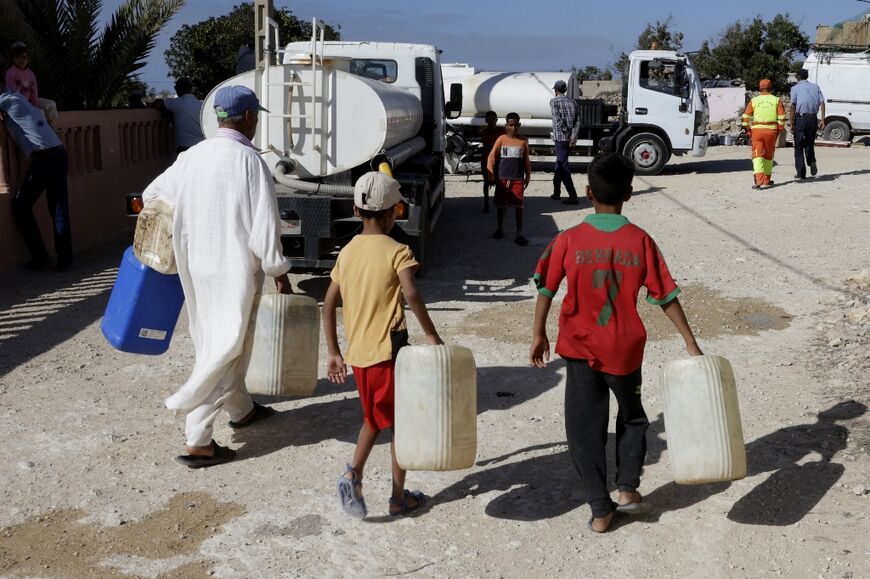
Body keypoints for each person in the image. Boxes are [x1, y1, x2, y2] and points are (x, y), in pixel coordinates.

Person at [529, 152, 703, 533]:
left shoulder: (568, 239)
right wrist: (690, 342)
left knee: (584, 427)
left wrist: (539, 332)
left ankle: (599, 507)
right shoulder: (640, 240)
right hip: (624, 348)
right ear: (629, 192)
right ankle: (626, 488)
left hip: (579, 348)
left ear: (588, 191)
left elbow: (546, 286)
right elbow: (665, 295)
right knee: (633, 417)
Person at [141, 85, 292, 468]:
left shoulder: (192, 156)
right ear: (248, 117)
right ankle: (198, 438)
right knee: (228, 346)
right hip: (234, 268)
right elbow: (264, 227)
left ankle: (241, 410)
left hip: (196, 266)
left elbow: (151, 195)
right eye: (256, 116)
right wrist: (278, 271)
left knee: (214, 337)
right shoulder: (249, 161)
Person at [323, 171, 443, 518]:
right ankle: (380, 488)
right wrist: (432, 335)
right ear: (394, 212)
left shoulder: (346, 252)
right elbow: (412, 293)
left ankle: (374, 484)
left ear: (356, 210)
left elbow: (329, 303)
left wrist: (334, 352)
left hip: (360, 354)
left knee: (376, 419)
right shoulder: (398, 250)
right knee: (396, 424)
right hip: (388, 353)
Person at [0, 88, 72, 271]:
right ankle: (65, 258)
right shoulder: (17, 98)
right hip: (57, 153)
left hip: (45, 158)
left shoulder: (7, 100)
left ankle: (40, 256)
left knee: (21, 205)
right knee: (58, 207)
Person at [486, 112, 531, 245]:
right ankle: (500, 229)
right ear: (506, 125)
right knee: (500, 205)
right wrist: (491, 177)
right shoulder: (501, 140)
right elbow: (491, 157)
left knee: (519, 206)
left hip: (517, 179)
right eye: (511, 125)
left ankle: (519, 233)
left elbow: (526, 161)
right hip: (502, 178)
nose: (514, 127)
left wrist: (527, 176)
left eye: (516, 125)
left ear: (519, 125)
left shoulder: (523, 141)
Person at [741, 79, 786, 189]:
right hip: (771, 131)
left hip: (757, 131)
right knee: (768, 155)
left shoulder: (754, 100)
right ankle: (766, 180)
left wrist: (748, 130)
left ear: (760, 88)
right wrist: (779, 130)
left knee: (757, 155)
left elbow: (745, 117)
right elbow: (782, 117)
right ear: (770, 87)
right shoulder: (776, 100)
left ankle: (759, 180)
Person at [4, 41, 57, 125]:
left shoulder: (30, 74)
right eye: (18, 57)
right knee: (39, 113)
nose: (21, 60)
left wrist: (34, 106)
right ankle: (43, 132)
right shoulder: (11, 73)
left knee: (51, 104)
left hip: (30, 102)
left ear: (28, 59)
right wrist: (32, 108)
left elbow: (34, 92)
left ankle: (51, 127)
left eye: (24, 57)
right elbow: (13, 96)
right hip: (18, 105)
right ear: (13, 58)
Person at [152, 77, 204, 154]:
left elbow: (156, 103)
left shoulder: (177, 103)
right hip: (201, 146)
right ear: (190, 88)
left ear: (177, 88)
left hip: (184, 148)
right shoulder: (201, 104)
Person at [789, 68, 825, 180]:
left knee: (798, 146)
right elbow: (822, 102)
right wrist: (822, 119)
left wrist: (791, 123)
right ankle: (812, 161)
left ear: (798, 77)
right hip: (813, 118)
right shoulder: (816, 87)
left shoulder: (794, 88)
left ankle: (801, 173)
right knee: (809, 143)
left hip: (801, 118)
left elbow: (793, 106)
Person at [549, 79, 579, 204]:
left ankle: (573, 195)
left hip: (561, 138)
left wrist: (567, 134)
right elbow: (577, 121)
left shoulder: (554, 101)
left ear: (556, 90)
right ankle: (556, 193)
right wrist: (573, 137)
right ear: (565, 90)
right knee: (559, 165)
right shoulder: (573, 102)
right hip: (570, 139)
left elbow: (558, 120)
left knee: (563, 166)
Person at [479, 110, 504, 213]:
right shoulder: (483, 133)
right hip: (487, 161)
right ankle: (486, 203)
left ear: (496, 120)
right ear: (486, 120)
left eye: (493, 119)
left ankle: (500, 204)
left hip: (499, 161)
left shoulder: (502, 132)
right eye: (489, 120)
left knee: (500, 183)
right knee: (486, 182)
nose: (491, 122)